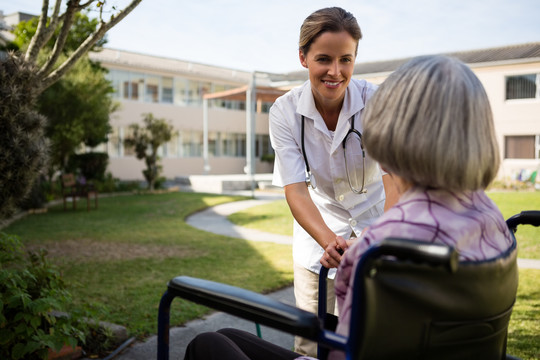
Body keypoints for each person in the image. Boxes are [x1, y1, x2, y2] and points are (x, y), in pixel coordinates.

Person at [183, 54, 514, 360]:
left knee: (208, 344)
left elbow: (349, 352)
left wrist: (378, 241)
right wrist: (383, 236)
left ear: (394, 132)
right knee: (230, 336)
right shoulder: (496, 222)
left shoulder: (373, 257)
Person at [269, 7, 398, 356]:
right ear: (303, 57)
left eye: (346, 59)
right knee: (311, 344)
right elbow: (294, 189)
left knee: (369, 340)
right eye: (323, 59)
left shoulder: (377, 101)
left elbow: (394, 181)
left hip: (375, 225)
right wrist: (330, 243)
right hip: (317, 235)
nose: (335, 72)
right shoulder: (284, 112)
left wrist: (374, 241)